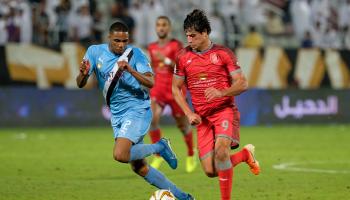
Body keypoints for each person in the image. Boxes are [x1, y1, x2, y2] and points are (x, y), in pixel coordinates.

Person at [76, 21, 194, 200]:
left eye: (125, 41)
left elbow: (150, 82)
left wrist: (130, 69)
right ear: (109, 38)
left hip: (137, 109)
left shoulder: (135, 54)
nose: (121, 45)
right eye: (117, 40)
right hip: (117, 115)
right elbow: (80, 83)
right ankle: (185, 197)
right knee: (140, 168)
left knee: (120, 154)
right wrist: (83, 74)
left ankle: (160, 147)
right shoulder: (94, 52)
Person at [172, 9, 260, 200]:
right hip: (201, 118)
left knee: (221, 153)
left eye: (193, 36)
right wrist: (188, 113)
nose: (189, 40)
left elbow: (242, 83)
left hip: (223, 111)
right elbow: (175, 88)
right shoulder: (182, 57)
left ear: (205, 33)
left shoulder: (223, 53)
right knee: (211, 171)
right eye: (187, 35)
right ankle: (245, 155)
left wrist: (221, 92)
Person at [147, 16, 197, 172]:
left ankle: (190, 153)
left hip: (175, 89)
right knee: (151, 120)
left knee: (182, 125)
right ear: (156, 28)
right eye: (159, 25)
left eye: (164, 25)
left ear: (169, 28)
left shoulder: (176, 45)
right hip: (158, 89)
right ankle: (158, 155)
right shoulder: (152, 47)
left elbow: (182, 67)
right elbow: (153, 69)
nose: (161, 28)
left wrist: (167, 61)